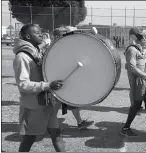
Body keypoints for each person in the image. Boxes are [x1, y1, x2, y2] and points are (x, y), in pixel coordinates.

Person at [13, 24, 66, 152]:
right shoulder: (22, 57)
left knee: (57, 135)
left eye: (41, 32)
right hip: (33, 106)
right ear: (28, 36)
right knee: (30, 138)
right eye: (37, 33)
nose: (41, 34)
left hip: (47, 102)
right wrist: (48, 85)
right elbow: (23, 84)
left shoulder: (36, 51)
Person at [52, 27, 94, 130]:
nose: (68, 35)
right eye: (65, 33)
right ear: (58, 35)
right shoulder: (55, 47)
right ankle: (50, 125)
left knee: (69, 101)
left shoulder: (63, 45)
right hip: (56, 80)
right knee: (56, 103)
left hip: (65, 79)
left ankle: (79, 123)